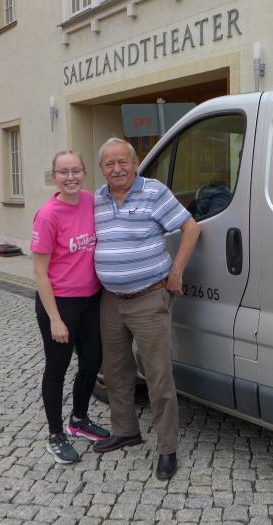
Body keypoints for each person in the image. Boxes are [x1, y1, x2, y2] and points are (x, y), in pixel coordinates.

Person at [92, 137, 201, 480]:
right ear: (102, 168)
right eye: (109, 164)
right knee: (116, 371)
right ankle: (126, 430)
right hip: (111, 301)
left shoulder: (154, 192)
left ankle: (167, 448)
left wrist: (177, 270)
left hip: (149, 298)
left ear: (135, 162)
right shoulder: (97, 200)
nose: (117, 169)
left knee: (158, 376)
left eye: (122, 162)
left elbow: (191, 228)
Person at [31, 150, 110, 464]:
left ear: (85, 173)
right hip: (60, 303)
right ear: (54, 177)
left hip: (91, 300)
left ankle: (78, 419)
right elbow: (40, 273)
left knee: (92, 360)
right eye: (63, 172)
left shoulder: (91, 201)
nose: (70, 177)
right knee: (57, 368)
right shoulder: (48, 215)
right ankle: (55, 435)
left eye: (76, 170)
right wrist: (55, 319)